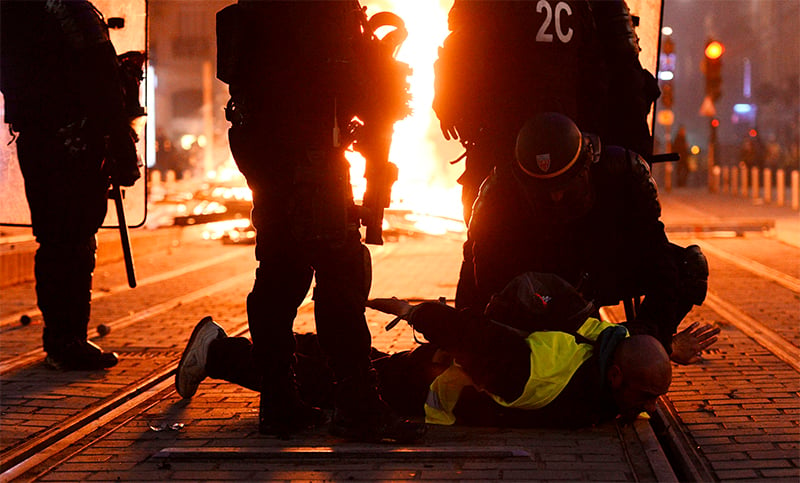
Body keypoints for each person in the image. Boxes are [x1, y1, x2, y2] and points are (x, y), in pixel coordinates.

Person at [202, 0, 423, 443]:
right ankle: (357, 407)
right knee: (341, 273)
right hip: (309, 156)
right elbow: (337, 73)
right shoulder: (320, 9)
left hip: (273, 152)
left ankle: (280, 404)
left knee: (281, 275)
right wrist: (382, 78)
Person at [176, 272, 708, 428]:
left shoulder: (601, 350)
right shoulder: (543, 376)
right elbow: (478, 339)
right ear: (617, 380)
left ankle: (235, 345)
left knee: (355, 365)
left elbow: (619, 339)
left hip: (435, 373)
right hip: (425, 391)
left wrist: (662, 347)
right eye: (646, 395)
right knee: (325, 387)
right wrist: (417, 312)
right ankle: (221, 354)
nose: (650, 405)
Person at [463, 112, 710, 360]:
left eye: (566, 186)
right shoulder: (498, 191)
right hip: (536, 282)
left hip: (602, 267)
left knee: (689, 266)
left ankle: (637, 347)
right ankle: (588, 351)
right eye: (544, 190)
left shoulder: (623, 174)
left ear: (586, 167)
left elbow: (659, 259)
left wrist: (659, 340)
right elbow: (481, 273)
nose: (556, 197)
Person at [1, 0, 142, 370]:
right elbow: (98, 73)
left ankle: (61, 338)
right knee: (76, 239)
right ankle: (70, 341)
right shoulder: (69, 9)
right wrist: (119, 136)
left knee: (55, 239)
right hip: (75, 138)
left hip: (37, 138)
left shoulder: (15, 12)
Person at [433, 0, 658, 225]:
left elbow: (460, 50)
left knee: (489, 231)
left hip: (508, 144)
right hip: (566, 148)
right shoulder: (585, 7)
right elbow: (610, 73)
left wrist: (451, 104)